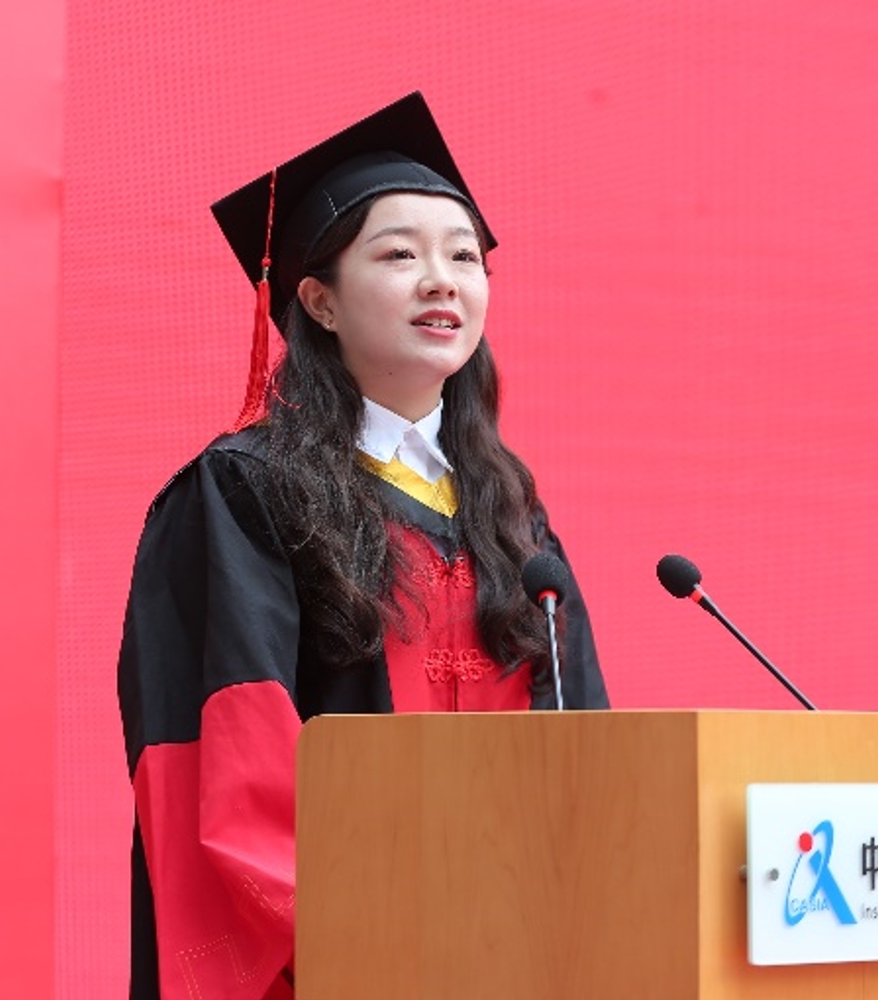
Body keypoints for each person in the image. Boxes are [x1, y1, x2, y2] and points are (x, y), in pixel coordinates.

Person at [117, 92, 609, 1000]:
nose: (442, 281)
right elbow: (223, 765)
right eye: (399, 255)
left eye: (464, 256)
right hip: (342, 959)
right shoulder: (244, 492)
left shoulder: (511, 514)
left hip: (510, 953)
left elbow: (584, 746)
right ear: (319, 301)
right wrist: (370, 941)